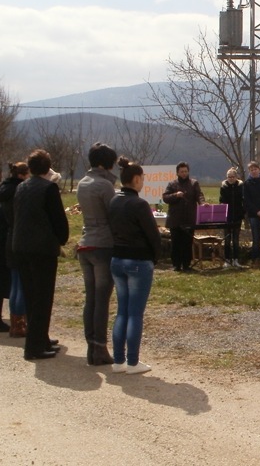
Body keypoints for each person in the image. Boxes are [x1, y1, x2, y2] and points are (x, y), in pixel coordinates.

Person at [12, 149, 69, 360]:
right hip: (42, 249)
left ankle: (40, 338)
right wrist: (61, 240)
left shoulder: (21, 187)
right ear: (48, 167)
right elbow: (58, 220)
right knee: (43, 298)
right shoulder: (49, 188)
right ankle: (34, 347)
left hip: (21, 246)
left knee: (30, 295)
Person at [108, 157, 161, 375]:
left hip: (117, 259)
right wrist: (155, 257)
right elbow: (153, 235)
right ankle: (133, 362)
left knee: (122, 311)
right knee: (135, 314)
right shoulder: (139, 204)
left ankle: (118, 360)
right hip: (138, 261)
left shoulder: (113, 201)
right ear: (137, 179)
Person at [76, 142, 118, 366]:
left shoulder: (83, 183)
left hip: (85, 243)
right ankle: (101, 348)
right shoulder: (104, 186)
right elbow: (114, 214)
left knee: (90, 298)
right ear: (105, 163)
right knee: (102, 300)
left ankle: (91, 346)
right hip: (103, 244)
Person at [0, 162, 30, 337]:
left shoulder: (4, 189)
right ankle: (21, 324)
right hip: (21, 237)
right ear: (22, 175)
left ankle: (15, 323)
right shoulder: (20, 191)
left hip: (9, 237)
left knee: (15, 283)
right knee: (22, 284)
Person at [162, 161, 205, 272]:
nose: (184, 173)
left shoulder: (194, 183)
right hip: (175, 219)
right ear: (177, 173)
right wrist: (176, 195)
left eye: (186, 171)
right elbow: (165, 198)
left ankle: (186, 265)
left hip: (189, 218)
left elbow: (199, 195)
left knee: (187, 242)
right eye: (182, 172)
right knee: (176, 243)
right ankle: (176, 265)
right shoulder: (172, 184)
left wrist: (202, 203)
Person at [219, 168, 245, 269]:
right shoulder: (224, 187)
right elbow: (221, 200)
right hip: (227, 217)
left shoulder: (240, 186)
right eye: (229, 177)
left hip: (237, 216)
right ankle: (227, 260)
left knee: (235, 240)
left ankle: (236, 260)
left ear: (236, 177)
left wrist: (243, 212)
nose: (231, 179)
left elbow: (243, 200)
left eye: (233, 177)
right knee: (227, 239)